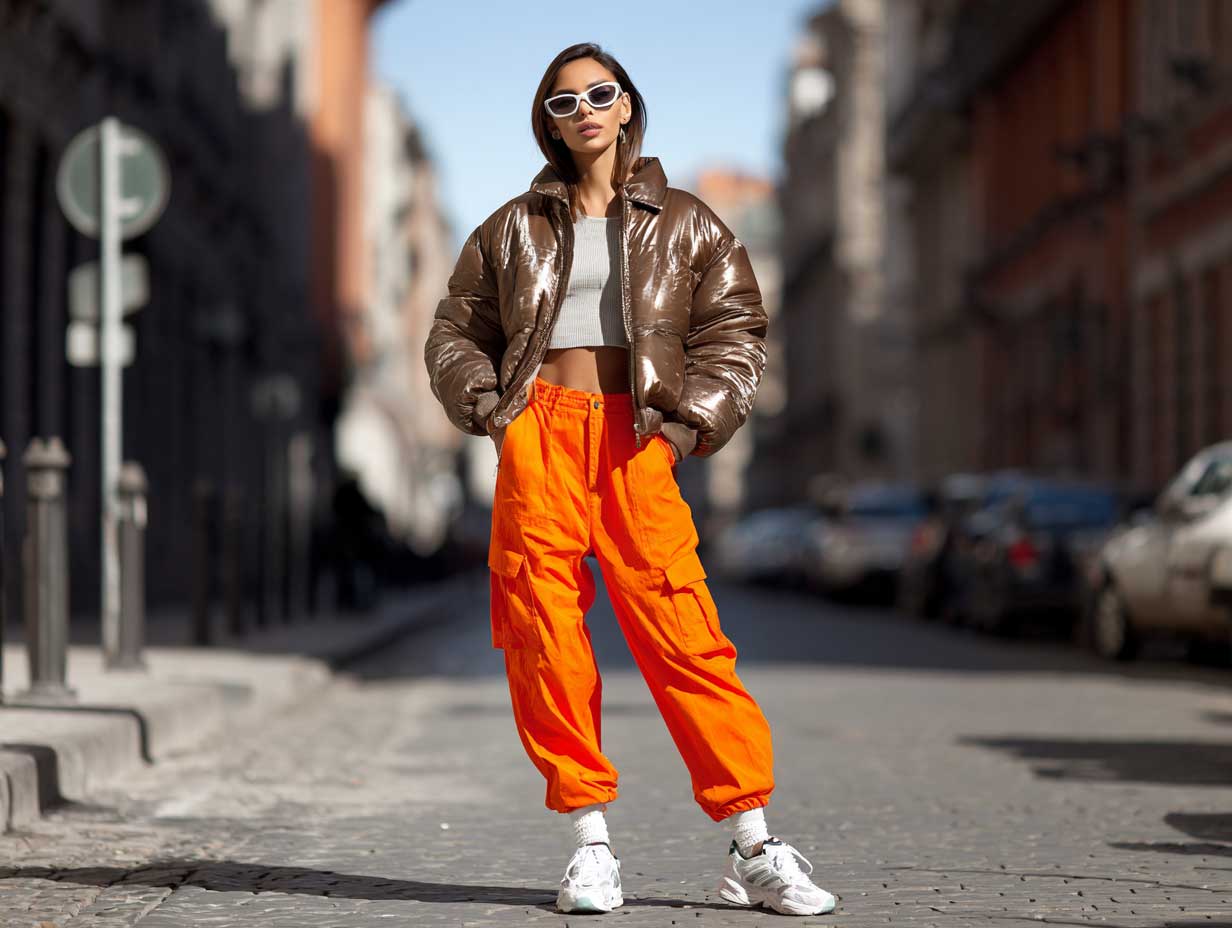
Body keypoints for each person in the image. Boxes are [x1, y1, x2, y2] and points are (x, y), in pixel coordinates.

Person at [423, 42, 836, 918]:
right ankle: (591, 844)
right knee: (546, 633)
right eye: (563, 101)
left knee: (684, 633)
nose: (583, 112)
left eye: (597, 95)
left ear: (626, 106)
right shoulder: (510, 228)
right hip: (541, 429)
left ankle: (754, 846)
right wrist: (495, 407)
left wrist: (689, 427)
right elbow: (455, 327)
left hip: (638, 437)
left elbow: (737, 325)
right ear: (548, 119)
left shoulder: (686, 220)